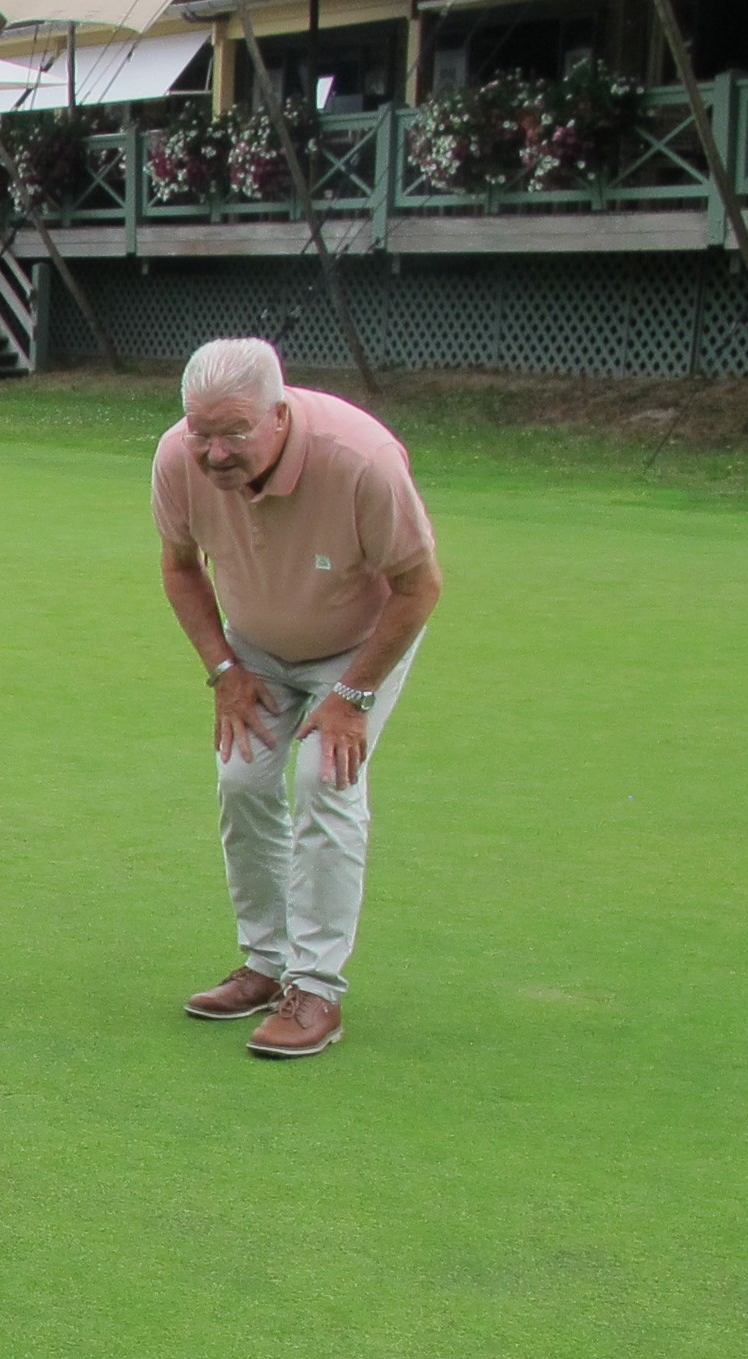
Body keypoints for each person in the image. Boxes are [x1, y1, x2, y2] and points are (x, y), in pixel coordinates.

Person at [154, 338, 445, 1059]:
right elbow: (181, 567)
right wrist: (223, 668)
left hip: (359, 642)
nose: (214, 452)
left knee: (327, 777)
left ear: (278, 416)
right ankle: (265, 962)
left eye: (234, 433)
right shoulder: (175, 459)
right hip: (254, 642)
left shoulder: (361, 462)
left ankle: (315, 989)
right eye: (202, 433)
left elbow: (419, 586)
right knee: (242, 779)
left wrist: (352, 694)